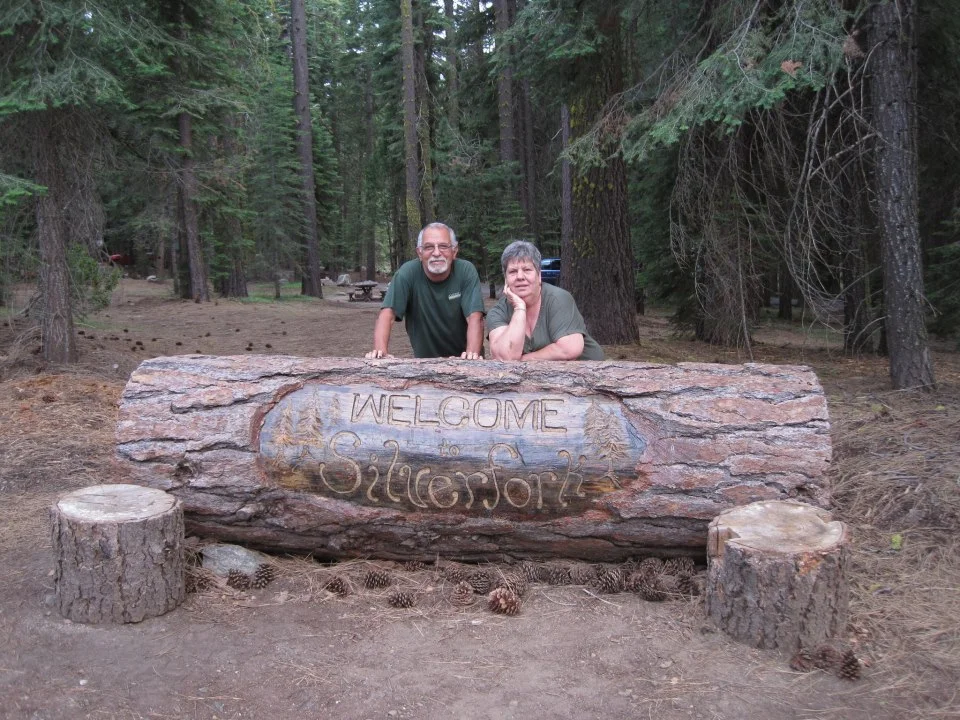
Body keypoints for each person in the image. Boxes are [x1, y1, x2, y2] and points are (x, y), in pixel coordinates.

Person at [366, 223, 485, 359]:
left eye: (443, 246)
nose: (436, 253)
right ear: (419, 253)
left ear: (454, 251)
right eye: (429, 247)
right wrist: (380, 353)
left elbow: (475, 317)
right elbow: (387, 315)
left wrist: (471, 357)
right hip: (424, 365)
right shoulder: (407, 273)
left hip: (464, 361)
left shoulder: (466, 271)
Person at [487, 240, 604, 361]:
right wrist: (519, 308)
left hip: (589, 370)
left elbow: (569, 349)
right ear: (506, 279)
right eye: (513, 271)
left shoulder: (558, 299)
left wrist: (523, 360)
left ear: (539, 276)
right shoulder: (498, 312)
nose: (520, 276)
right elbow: (504, 357)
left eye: (527, 270)